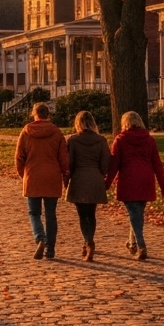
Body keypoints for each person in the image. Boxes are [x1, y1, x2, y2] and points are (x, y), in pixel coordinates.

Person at [105, 110, 164, 261]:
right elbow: (157, 166)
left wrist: (107, 183)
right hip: (146, 180)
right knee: (136, 215)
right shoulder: (149, 140)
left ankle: (141, 245)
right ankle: (131, 243)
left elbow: (114, 165)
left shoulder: (120, 140)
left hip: (129, 180)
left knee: (135, 215)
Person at [14, 102, 68, 260]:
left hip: (33, 175)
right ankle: (50, 249)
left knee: (34, 213)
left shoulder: (26, 132)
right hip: (52, 176)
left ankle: (40, 237)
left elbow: (19, 158)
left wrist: (24, 175)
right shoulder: (57, 132)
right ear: (48, 114)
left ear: (34, 114)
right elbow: (64, 158)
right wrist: (65, 175)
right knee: (51, 214)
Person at [64, 110, 110, 262]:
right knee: (91, 213)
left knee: (82, 214)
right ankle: (89, 239)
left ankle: (87, 241)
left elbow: (69, 162)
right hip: (95, 177)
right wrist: (101, 174)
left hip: (79, 177)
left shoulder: (73, 140)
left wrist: (67, 178)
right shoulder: (101, 140)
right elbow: (105, 163)